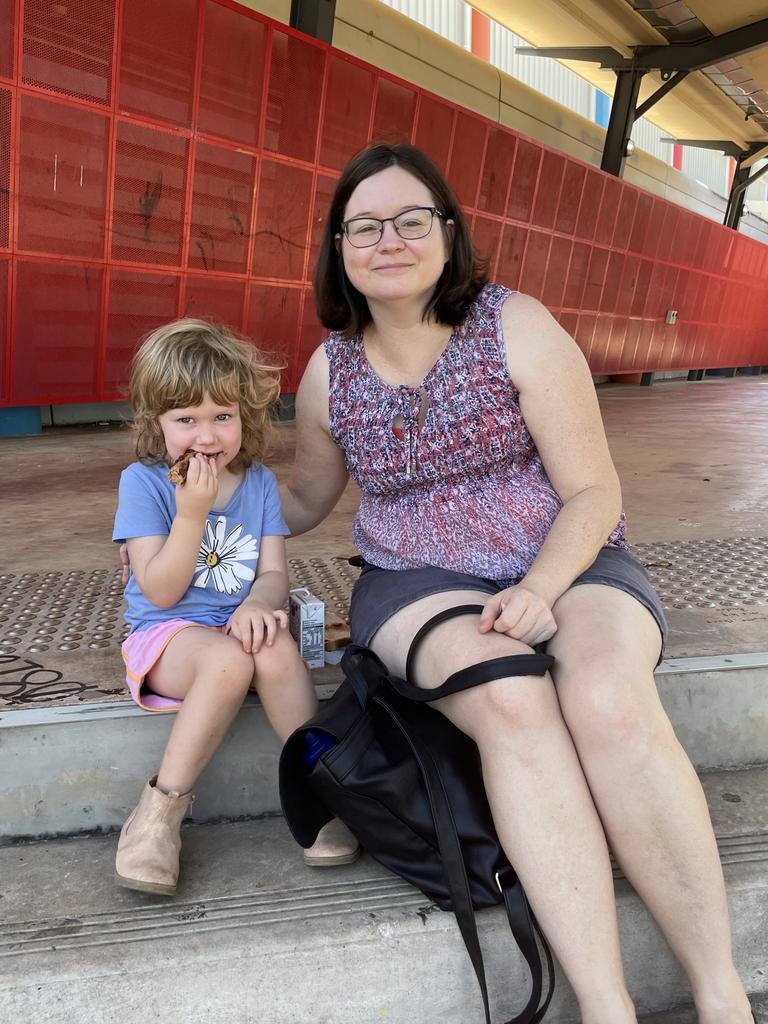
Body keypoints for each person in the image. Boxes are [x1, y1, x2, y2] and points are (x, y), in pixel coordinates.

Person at [280, 144, 754, 1024]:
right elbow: (305, 497)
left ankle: (722, 997)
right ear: (338, 248)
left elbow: (594, 488)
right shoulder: (327, 371)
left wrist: (540, 585)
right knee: (510, 701)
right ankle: (606, 1009)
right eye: (365, 226)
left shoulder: (516, 325)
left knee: (608, 697)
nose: (389, 239)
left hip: (567, 558)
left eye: (412, 219)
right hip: (415, 577)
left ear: (449, 234)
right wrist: (191, 500)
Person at [113, 319, 358, 896]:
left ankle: (319, 788)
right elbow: (162, 592)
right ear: (157, 423)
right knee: (228, 660)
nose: (206, 436)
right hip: (167, 636)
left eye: (222, 416)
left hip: (230, 631)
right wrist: (191, 512)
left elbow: (274, 573)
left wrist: (259, 604)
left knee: (272, 649)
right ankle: (159, 813)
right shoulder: (143, 484)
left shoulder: (258, 484)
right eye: (186, 419)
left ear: (245, 417)